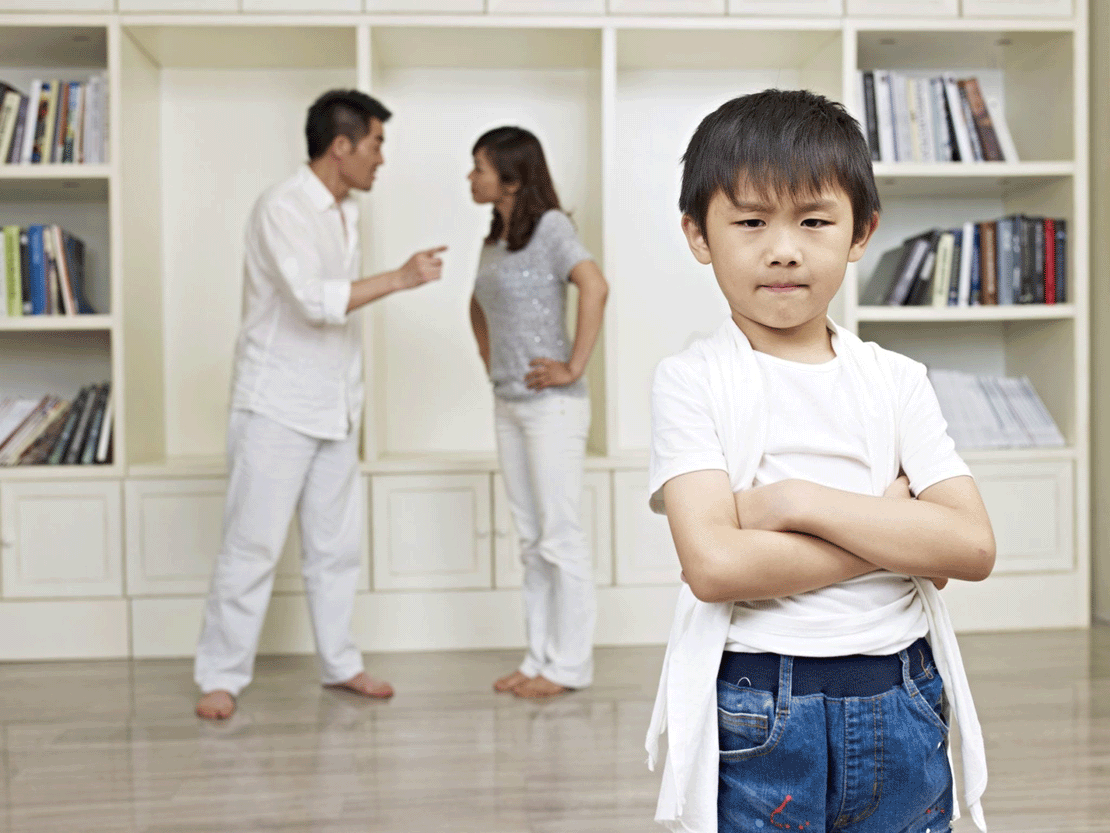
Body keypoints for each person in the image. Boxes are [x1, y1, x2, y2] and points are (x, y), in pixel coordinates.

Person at [643, 89, 996, 832]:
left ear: (860, 231)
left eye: (813, 220)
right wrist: (895, 535)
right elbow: (715, 565)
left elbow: (969, 547)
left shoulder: (896, 379)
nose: (783, 248)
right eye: (750, 221)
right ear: (698, 234)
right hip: (759, 706)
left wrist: (793, 502)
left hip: (903, 692)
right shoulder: (692, 380)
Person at [194, 89, 446, 721]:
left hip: (335, 408)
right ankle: (220, 676)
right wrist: (400, 278)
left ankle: (339, 664)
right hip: (275, 406)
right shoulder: (282, 207)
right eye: (376, 144)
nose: (381, 158)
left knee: (336, 550)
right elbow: (312, 300)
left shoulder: (345, 211)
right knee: (251, 547)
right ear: (341, 146)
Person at [467, 126, 609, 698]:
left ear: (512, 177)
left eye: (479, 167)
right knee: (530, 541)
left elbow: (595, 286)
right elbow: (477, 304)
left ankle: (570, 667)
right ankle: (537, 659)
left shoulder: (551, 228)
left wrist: (573, 366)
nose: (470, 177)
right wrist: (491, 359)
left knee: (559, 537)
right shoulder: (495, 238)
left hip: (553, 408)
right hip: (508, 403)